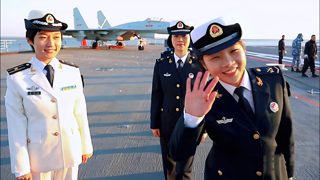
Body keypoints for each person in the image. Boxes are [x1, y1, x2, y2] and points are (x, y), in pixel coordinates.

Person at [169, 17, 294, 180]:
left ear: (243, 49)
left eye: (234, 51)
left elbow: (286, 134)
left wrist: (289, 174)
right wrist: (192, 117)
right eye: (215, 57)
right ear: (204, 65)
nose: (228, 63)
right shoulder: (203, 96)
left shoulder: (273, 80)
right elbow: (179, 153)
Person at [5, 10, 93, 180]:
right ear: (30, 40)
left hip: (70, 152)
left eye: (56, 37)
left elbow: (80, 113)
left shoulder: (72, 72)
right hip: (38, 158)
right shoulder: (17, 77)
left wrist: (85, 146)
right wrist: (21, 167)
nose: (51, 44)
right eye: (43, 37)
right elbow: (16, 125)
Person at [150, 20, 206, 180]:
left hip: (191, 121)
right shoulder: (161, 64)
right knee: (169, 166)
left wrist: (205, 128)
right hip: (166, 120)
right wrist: (154, 124)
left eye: (183, 36)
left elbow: (205, 96)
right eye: (176, 36)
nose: (180, 39)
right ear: (171, 39)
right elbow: (156, 94)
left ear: (189, 39)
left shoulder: (199, 64)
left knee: (185, 166)